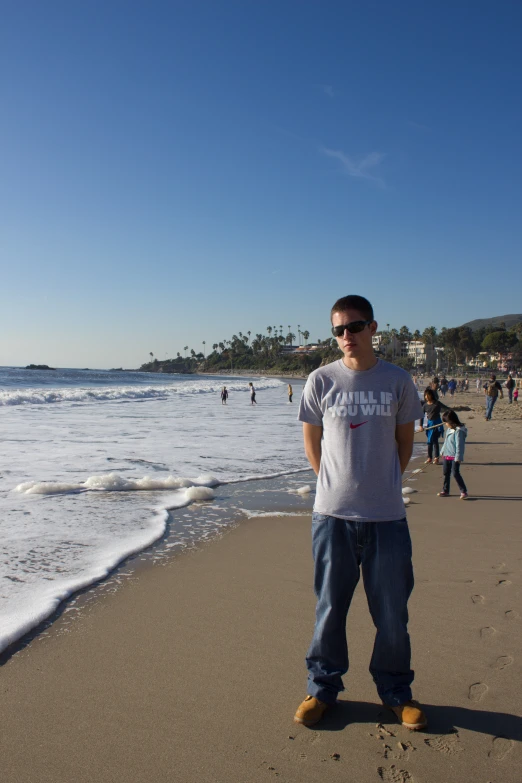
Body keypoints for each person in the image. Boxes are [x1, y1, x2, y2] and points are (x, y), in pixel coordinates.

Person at [295, 294, 427, 731]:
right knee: (330, 607)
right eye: (338, 330)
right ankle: (321, 690)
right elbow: (312, 444)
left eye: (354, 326)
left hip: (386, 517)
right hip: (331, 516)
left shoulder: (398, 380)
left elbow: (404, 444)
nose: (346, 336)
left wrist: (380, 483)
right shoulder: (321, 380)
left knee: (392, 612)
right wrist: (334, 484)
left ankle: (396, 693)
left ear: (373, 328)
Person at [438, 410, 468, 499]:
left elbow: (460, 445)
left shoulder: (459, 431)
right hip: (447, 454)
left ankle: (463, 491)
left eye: (446, 422)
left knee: (455, 473)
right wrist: (442, 451)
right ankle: (445, 490)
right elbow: (446, 442)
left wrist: (458, 456)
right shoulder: (449, 430)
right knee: (446, 473)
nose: (445, 424)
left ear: (451, 421)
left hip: (455, 456)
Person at [419, 388, 449, 464]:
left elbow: (446, 409)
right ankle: (429, 458)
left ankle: (436, 458)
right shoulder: (425, 405)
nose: (426, 396)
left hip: (437, 424)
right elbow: (421, 416)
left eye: (427, 395)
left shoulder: (437, 404)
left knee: (435, 441)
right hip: (430, 424)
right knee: (429, 442)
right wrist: (421, 426)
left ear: (430, 395)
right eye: (425, 395)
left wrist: (447, 419)